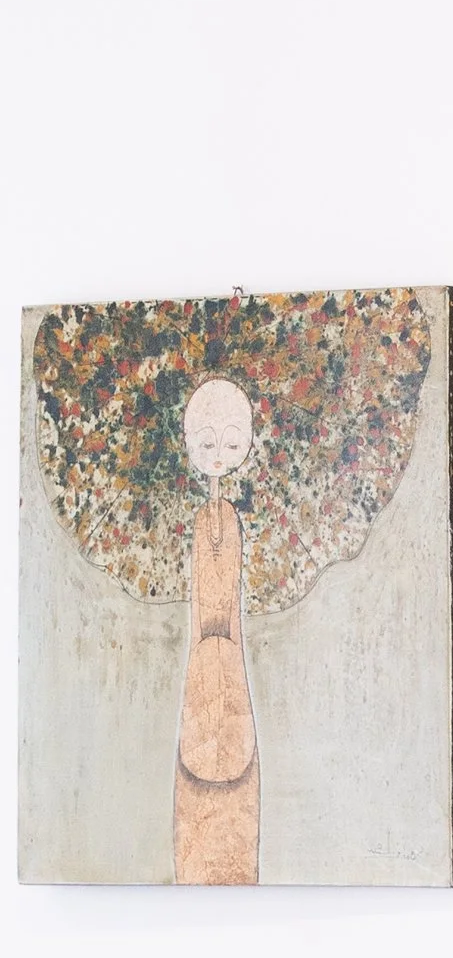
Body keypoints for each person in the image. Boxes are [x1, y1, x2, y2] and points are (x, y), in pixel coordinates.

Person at [172, 376, 259, 885]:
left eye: (231, 441)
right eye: (206, 443)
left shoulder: (228, 517)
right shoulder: (205, 518)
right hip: (200, 699)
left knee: (236, 838)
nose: (219, 456)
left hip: (233, 700)